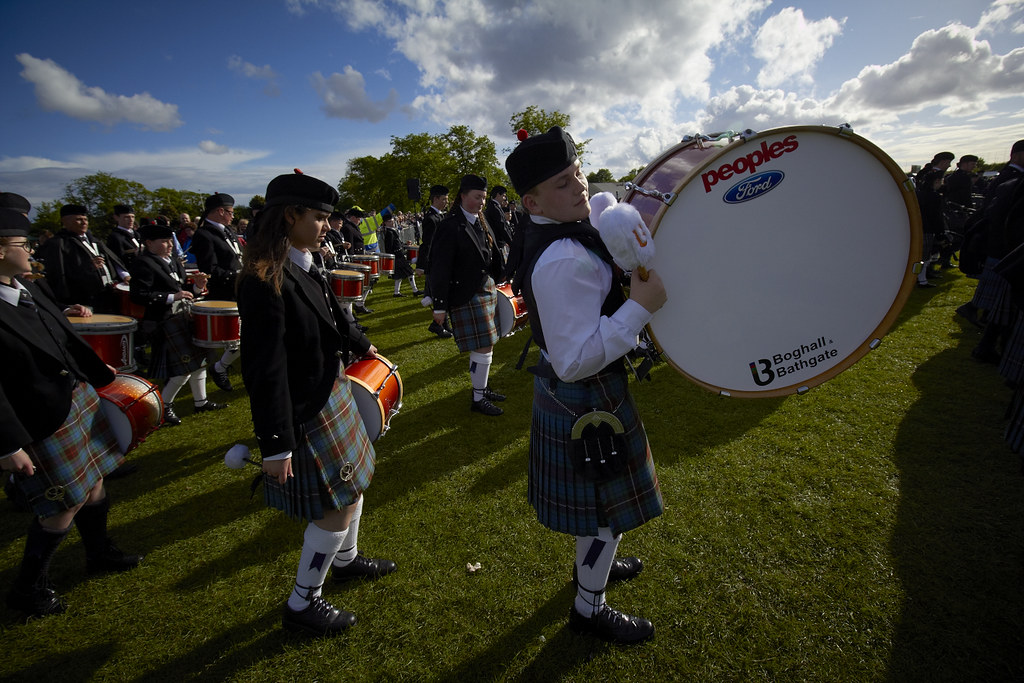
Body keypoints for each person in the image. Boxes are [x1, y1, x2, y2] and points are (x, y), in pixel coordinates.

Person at [505, 127, 667, 644]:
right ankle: (589, 608)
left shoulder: (567, 233)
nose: (578, 186)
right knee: (604, 516)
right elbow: (573, 361)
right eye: (562, 183)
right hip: (585, 394)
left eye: (576, 173)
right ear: (533, 202)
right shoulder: (562, 259)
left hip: (588, 392)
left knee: (601, 508)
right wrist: (639, 309)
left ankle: (596, 566)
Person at [237, 171, 396, 636]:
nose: (329, 226)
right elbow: (264, 370)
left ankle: (345, 561)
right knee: (335, 509)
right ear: (291, 216)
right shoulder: (263, 280)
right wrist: (275, 444)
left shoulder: (304, 262)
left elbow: (332, 317)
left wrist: (362, 344)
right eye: (320, 217)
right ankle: (302, 602)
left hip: (332, 390)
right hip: (307, 408)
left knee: (354, 486)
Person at [0, 209, 143, 618]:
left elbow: (62, 337)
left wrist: (99, 372)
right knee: (62, 503)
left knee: (94, 482)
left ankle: (98, 553)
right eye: (21, 245)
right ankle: (28, 590)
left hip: (74, 398)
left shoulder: (27, 287)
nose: (30, 250)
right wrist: (7, 444)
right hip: (39, 417)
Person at [129, 221, 225, 425]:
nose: (170, 245)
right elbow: (138, 295)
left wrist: (197, 287)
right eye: (164, 241)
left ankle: (201, 401)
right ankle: (164, 408)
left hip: (181, 317)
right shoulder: (143, 263)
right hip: (162, 321)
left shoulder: (171, 260)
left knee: (200, 363)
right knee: (183, 369)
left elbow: (181, 290)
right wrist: (172, 297)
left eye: (170, 241)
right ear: (149, 243)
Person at [427, 174, 507, 416]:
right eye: (477, 197)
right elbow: (440, 267)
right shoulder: (449, 225)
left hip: (486, 289)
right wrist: (439, 306)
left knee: (488, 344)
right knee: (482, 346)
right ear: (462, 196)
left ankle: (482, 387)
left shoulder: (481, 220)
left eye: (484, 197)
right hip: (466, 293)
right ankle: (478, 398)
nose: (481, 202)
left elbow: (491, 253)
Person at [190, 192, 241, 391]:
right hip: (224, 294)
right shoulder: (204, 235)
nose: (233, 216)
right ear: (220, 211)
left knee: (245, 335)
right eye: (230, 212)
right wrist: (238, 275)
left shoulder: (228, 231)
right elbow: (209, 269)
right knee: (237, 337)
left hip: (239, 289)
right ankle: (219, 368)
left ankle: (221, 367)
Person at [35, 204, 127, 313]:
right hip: (84, 300)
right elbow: (58, 276)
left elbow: (113, 261)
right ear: (64, 221)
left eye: (86, 219)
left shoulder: (95, 241)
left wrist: (123, 275)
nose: (84, 223)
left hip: (107, 296)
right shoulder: (58, 244)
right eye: (78, 219)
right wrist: (88, 268)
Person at [419, 184, 453, 338]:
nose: (446, 202)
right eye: (444, 199)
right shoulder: (431, 219)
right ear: (436, 199)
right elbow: (427, 244)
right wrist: (422, 265)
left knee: (443, 292)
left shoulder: (439, 216)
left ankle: (443, 324)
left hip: (443, 260)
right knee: (437, 293)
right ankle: (438, 325)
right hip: (435, 262)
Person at [915, 169, 946, 287]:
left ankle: (918, 278)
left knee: (917, 255)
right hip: (927, 229)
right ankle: (922, 280)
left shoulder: (918, 193)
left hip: (916, 228)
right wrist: (940, 234)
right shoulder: (934, 196)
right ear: (937, 181)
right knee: (925, 257)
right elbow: (936, 217)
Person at [381, 211, 419, 297]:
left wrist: (405, 244)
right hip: (397, 256)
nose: (392, 223)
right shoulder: (389, 233)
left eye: (392, 221)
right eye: (389, 221)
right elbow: (389, 247)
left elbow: (397, 243)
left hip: (398, 255)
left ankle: (396, 292)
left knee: (399, 275)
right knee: (410, 272)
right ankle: (415, 290)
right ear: (385, 223)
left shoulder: (391, 231)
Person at [106, 204, 141, 268]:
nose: (131, 220)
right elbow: (116, 260)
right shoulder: (115, 237)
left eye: (133, 217)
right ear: (116, 217)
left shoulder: (137, 234)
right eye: (126, 217)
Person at [484, 185, 514, 256]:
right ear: (498, 195)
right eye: (503, 196)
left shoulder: (495, 206)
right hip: (498, 244)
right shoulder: (494, 208)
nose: (504, 198)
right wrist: (511, 243)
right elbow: (502, 226)